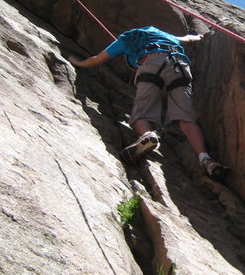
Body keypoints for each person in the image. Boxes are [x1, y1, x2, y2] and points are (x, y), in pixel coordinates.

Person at [68, 26, 227, 180]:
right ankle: (206, 159)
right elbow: (188, 39)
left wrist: (77, 62)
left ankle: (147, 136)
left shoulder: (127, 38)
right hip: (181, 66)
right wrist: (200, 37)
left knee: (141, 113)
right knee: (186, 119)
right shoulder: (166, 35)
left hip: (153, 62)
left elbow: (97, 59)